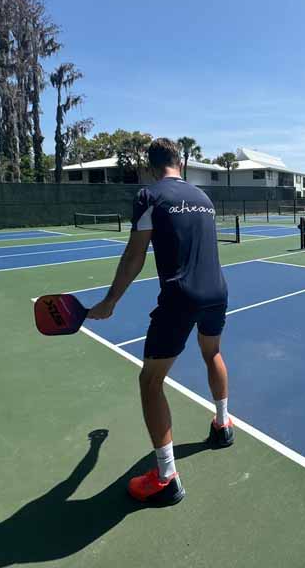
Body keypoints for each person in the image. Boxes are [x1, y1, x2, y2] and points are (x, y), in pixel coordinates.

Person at [87, 138, 233, 505]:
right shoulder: (204, 198)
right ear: (179, 163)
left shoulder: (148, 196)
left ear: (150, 167)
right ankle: (223, 425)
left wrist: (110, 300)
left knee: (150, 381)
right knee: (211, 352)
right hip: (218, 291)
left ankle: (167, 478)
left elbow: (135, 254)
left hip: (180, 297)